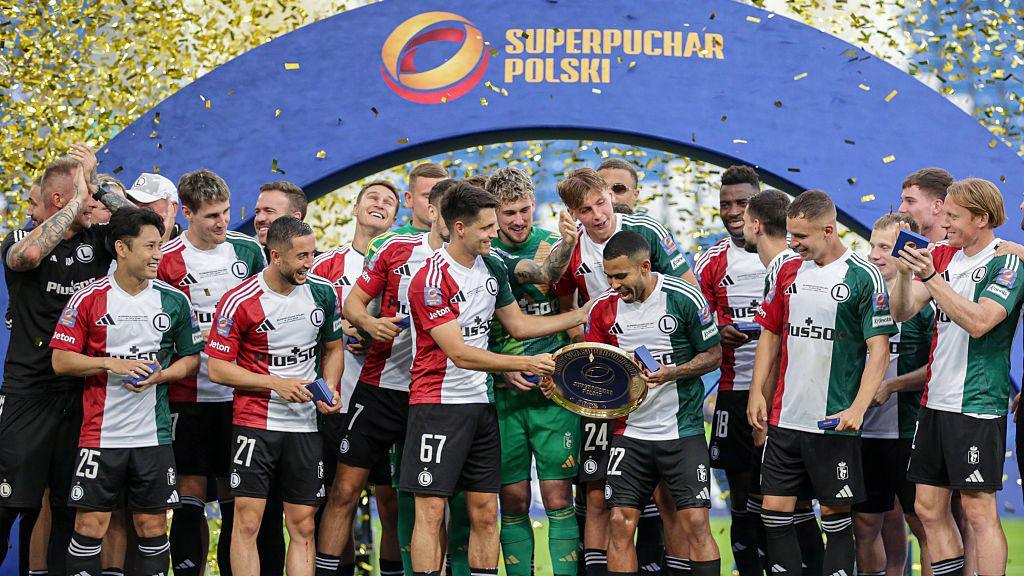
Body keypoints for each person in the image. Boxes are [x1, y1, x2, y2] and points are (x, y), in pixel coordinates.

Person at [403, 182, 589, 576]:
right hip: (437, 407)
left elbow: (519, 325)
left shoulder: (492, 266)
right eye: (487, 227)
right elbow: (459, 352)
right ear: (459, 228)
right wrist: (519, 365)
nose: (494, 234)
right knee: (431, 510)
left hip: (482, 407)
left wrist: (581, 315)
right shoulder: (430, 280)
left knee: (487, 512)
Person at [552, 167, 695, 576]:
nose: (598, 215)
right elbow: (567, 311)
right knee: (600, 495)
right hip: (606, 385)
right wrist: (595, 358)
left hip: (660, 378)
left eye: (602, 202)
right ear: (572, 213)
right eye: (586, 209)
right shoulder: (571, 246)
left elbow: (689, 288)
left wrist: (671, 362)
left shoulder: (646, 230)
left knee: (670, 498)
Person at [747, 190, 896, 576]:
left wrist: (858, 409)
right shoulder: (785, 269)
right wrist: (756, 392)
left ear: (829, 230)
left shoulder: (864, 277)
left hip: (832, 423)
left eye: (800, 237)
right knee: (774, 512)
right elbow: (770, 334)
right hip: (784, 418)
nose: (792, 244)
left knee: (835, 517)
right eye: (791, 236)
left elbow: (878, 351)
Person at [49, 207, 203, 576]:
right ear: (121, 248)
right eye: (149, 246)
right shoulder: (89, 297)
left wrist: (162, 375)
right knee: (90, 527)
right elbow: (61, 361)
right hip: (100, 436)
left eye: (160, 246)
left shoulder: (174, 300)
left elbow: (192, 360)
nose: (157, 255)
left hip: (154, 437)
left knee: (152, 528)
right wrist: (108, 363)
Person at [0, 144, 132, 574]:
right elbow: (29, 258)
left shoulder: (99, 242)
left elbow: (148, 231)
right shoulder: (22, 237)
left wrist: (99, 188)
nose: (92, 204)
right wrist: (79, 200)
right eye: (81, 196)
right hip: (28, 394)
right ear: (62, 201)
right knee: (11, 504)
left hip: (82, 395)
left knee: (67, 506)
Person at [889, 178, 1022, 576]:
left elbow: (981, 322)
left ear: (981, 219)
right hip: (935, 402)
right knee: (927, 508)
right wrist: (902, 274)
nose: (944, 224)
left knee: (978, 509)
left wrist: (930, 278)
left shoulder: (1006, 263)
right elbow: (903, 311)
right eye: (944, 214)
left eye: (953, 217)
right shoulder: (945, 255)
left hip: (977, 403)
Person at [328, 179, 454, 576]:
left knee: (422, 503)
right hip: (379, 388)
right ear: (430, 210)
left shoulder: (474, 262)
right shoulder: (396, 248)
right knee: (344, 491)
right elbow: (353, 304)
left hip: (432, 397)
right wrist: (368, 324)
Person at [206, 216, 343, 576]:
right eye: (300, 257)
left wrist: (330, 387)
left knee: (304, 526)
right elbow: (217, 368)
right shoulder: (239, 300)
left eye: (312, 255)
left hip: (304, 427)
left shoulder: (323, 292)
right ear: (275, 256)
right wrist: (276, 383)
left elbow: (334, 348)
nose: (308, 264)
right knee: (247, 524)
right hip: (254, 424)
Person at [581, 230, 723, 576]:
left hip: (682, 431)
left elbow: (714, 354)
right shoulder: (602, 310)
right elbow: (594, 370)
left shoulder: (684, 297)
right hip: (629, 434)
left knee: (695, 522)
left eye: (620, 276)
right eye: (608, 276)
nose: (613, 285)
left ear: (645, 266)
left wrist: (673, 372)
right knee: (619, 521)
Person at [158, 169, 266, 576]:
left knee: (235, 496)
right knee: (189, 496)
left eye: (225, 212)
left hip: (240, 395)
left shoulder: (247, 252)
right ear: (186, 213)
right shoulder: (167, 259)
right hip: (189, 394)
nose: (222, 223)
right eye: (210, 216)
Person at [483, 167, 580, 576]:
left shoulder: (549, 244)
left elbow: (566, 314)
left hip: (553, 394)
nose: (519, 220)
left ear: (534, 205)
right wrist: (503, 369)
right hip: (504, 396)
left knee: (559, 498)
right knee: (514, 501)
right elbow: (473, 328)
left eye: (524, 210)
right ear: (493, 213)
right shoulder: (483, 255)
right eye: (508, 214)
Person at [312, 180, 401, 576]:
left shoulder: (407, 262)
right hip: (337, 401)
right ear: (355, 208)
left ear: (396, 218)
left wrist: (375, 333)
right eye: (372, 198)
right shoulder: (323, 265)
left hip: (389, 397)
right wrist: (340, 329)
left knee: (392, 501)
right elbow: (299, 323)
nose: (379, 205)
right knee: (340, 496)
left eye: (388, 202)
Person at [693, 166, 766, 576]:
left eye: (741, 202)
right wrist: (718, 332)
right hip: (735, 393)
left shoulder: (791, 252)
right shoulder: (711, 262)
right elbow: (695, 327)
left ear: (758, 203)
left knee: (784, 498)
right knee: (741, 494)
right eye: (725, 204)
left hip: (787, 396)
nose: (733, 211)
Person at [853, 213, 934, 576]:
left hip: (910, 434)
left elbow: (939, 369)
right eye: (872, 245)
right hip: (864, 433)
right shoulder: (857, 294)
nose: (874, 254)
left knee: (925, 526)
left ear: (907, 248)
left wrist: (892, 385)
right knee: (866, 527)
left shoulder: (927, 301)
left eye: (884, 247)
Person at [898, 168, 954, 244]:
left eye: (910, 201)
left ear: (936, 206)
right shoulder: (897, 247)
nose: (901, 209)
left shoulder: (960, 252)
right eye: (902, 201)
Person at [126, 172, 181, 241]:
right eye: (133, 206)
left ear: (173, 208)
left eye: (146, 208)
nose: (138, 214)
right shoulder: (123, 244)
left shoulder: (191, 248)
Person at [397, 163, 450, 234]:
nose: (439, 203)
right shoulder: (386, 243)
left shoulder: (465, 241)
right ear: (409, 199)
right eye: (428, 197)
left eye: (444, 196)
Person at [254, 181, 308, 248]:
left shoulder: (318, 258)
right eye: (257, 212)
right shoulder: (248, 257)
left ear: (295, 218)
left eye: (269, 211)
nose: (259, 218)